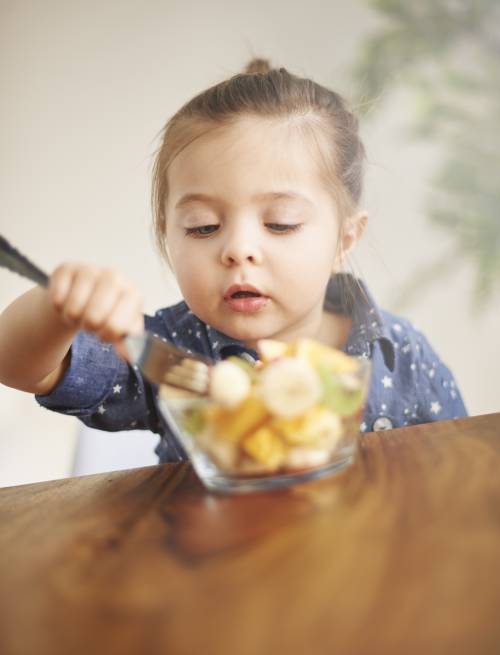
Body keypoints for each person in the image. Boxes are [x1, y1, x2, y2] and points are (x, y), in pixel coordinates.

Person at [0, 58, 467, 463]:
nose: (238, 249)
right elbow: (19, 366)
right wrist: (56, 308)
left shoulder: (399, 355)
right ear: (168, 235)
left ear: (345, 238)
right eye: (203, 226)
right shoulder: (170, 351)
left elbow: (461, 471)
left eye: (280, 223)